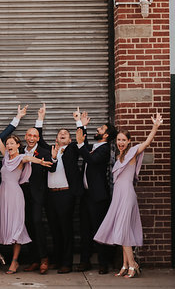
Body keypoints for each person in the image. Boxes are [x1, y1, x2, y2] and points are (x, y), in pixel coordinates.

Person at [92, 112, 163, 278]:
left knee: (123, 230)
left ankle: (132, 264)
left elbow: (146, 143)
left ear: (129, 141)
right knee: (122, 229)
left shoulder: (132, 153)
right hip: (118, 196)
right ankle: (125, 265)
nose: (121, 142)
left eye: (124, 140)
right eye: (119, 140)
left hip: (127, 195)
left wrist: (155, 127)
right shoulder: (118, 156)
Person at [0, 119, 37, 274]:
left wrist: (44, 161)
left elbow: (30, 158)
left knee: (17, 226)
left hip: (15, 195)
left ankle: (14, 261)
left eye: (11, 143)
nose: (8, 146)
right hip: (2, 193)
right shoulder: (6, 157)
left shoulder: (20, 158)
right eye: (7, 143)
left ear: (18, 145)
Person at [76, 112, 114, 273]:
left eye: (100, 128)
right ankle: (85, 261)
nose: (97, 129)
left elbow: (89, 159)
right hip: (85, 195)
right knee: (85, 229)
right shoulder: (94, 147)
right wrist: (81, 125)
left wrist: (80, 144)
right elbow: (83, 147)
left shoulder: (104, 149)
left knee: (99, 229)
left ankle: (103, 263)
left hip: (97, 197)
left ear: (105, 135)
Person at [45, 120, 81, 274]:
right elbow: (51, 168)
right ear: (56, 139)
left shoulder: (72, 149)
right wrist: (53, 157)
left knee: (66, 229)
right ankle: (57, 260)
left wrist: (79, 122)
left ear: (70, 140)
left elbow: (81, 138)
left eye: (66, 134)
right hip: (51, 195)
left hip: (66, 194)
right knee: (54, 229)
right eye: (60, 134)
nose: (63, 134)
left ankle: (67, 263)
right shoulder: (51, 151)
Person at [21, 104, 53, 273]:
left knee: (37, 222)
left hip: (37, 193)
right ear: (25, 137)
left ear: (38, 138)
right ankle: (33, 258)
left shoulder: (44, 151)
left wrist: (40, 118)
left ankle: (43, 258)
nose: (32, 138)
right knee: (26, 224)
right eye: (29, 135)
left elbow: (51, 167)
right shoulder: (20, 150)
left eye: (35, 135)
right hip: (21, 193)